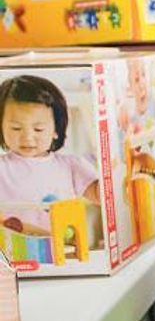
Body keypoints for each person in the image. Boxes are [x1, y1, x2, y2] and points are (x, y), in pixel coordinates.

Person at [0, 73, 100, 226]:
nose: (27, 137)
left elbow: (100, 196)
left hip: (61, 247)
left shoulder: (71, 166)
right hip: (12, 248)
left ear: (56, 130)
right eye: (16, 128)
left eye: (38, 129)